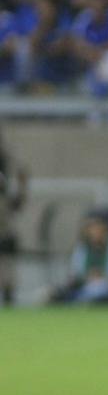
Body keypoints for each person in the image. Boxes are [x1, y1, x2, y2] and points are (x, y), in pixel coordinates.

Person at [48, 213, 108, 305]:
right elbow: (74, 278)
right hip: (86, 293)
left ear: (105, 228)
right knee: (50, 296)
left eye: (97, 227)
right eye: (90, 228)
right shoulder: (82, 249)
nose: (93, 232)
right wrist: (87, 278)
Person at [0, 127, 29, 306]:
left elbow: (17, 203)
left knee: (7, 260)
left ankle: (9, 294)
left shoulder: (6, 160)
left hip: (5, 227)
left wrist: (22, 185)